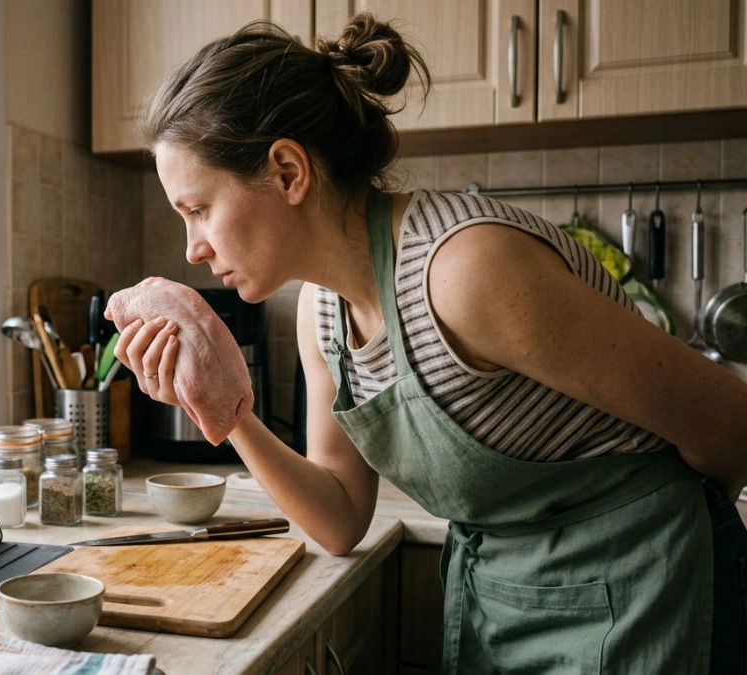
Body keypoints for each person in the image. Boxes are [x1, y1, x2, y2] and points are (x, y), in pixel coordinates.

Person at [111, 13, 747, 674]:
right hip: (506, 598)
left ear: (288, 171)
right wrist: (226, 411)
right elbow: (340, 518)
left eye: (199, 208)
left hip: (649, 598)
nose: (193, 248)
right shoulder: (321, 312)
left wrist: (668, 548)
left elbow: (729, 420)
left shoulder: (466, 270)